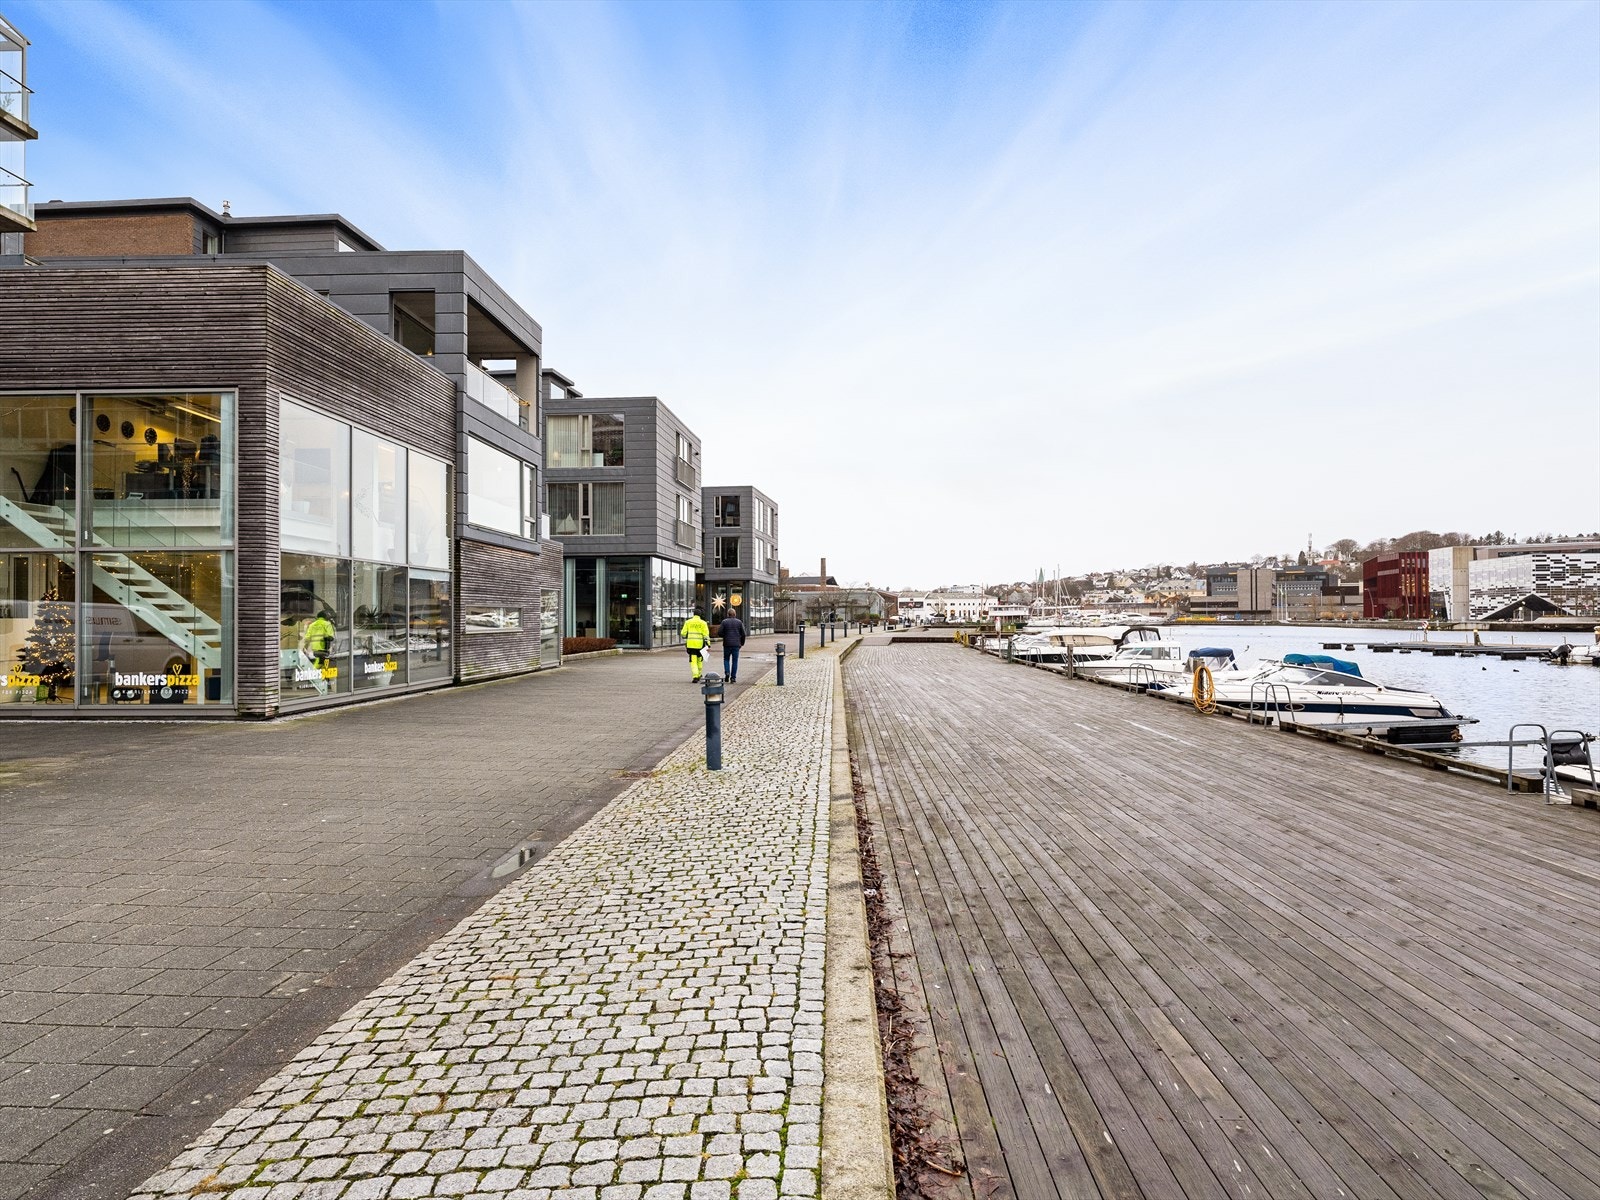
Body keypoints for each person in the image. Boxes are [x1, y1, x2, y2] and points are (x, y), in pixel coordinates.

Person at [680, 612, 711, 682]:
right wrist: (708, 644)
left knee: (693, 661)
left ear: (693, 614)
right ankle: (699, 674)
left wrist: (687, 636)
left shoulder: (688, 622)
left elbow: (683, 633)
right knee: (700, 660)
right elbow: (706, 635)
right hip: (700, 644)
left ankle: (695, 676)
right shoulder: (703, 623)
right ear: (700, 615)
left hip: (691, 644)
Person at [718, 611, 747, 683]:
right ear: (735, 614)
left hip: (727, 644)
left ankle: (727, 672)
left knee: (726, 659)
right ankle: (733, 677)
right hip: (736, 644)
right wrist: (741, 643)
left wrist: (725, 636)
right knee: (735, 661)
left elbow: (720, 633)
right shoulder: (739, 622)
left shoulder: (724, 622)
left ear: (728, 614)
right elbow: (743, 634)